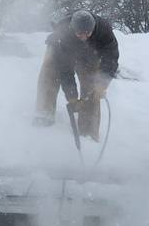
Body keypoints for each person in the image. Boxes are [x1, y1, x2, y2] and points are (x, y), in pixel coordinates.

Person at [33, 9, 119, 141]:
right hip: (61, 50)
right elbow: (64, 69)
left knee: (92, 86)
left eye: (87, 33)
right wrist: (72, 97)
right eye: (80, 33)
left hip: (91, 54)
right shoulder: (63, 33)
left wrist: (102, 84)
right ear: (73, 29)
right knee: (50, 70)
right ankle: (44, 115)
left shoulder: (104, 31)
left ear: (93, 28)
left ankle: (88, 131)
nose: (83, 36)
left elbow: (111, 60)